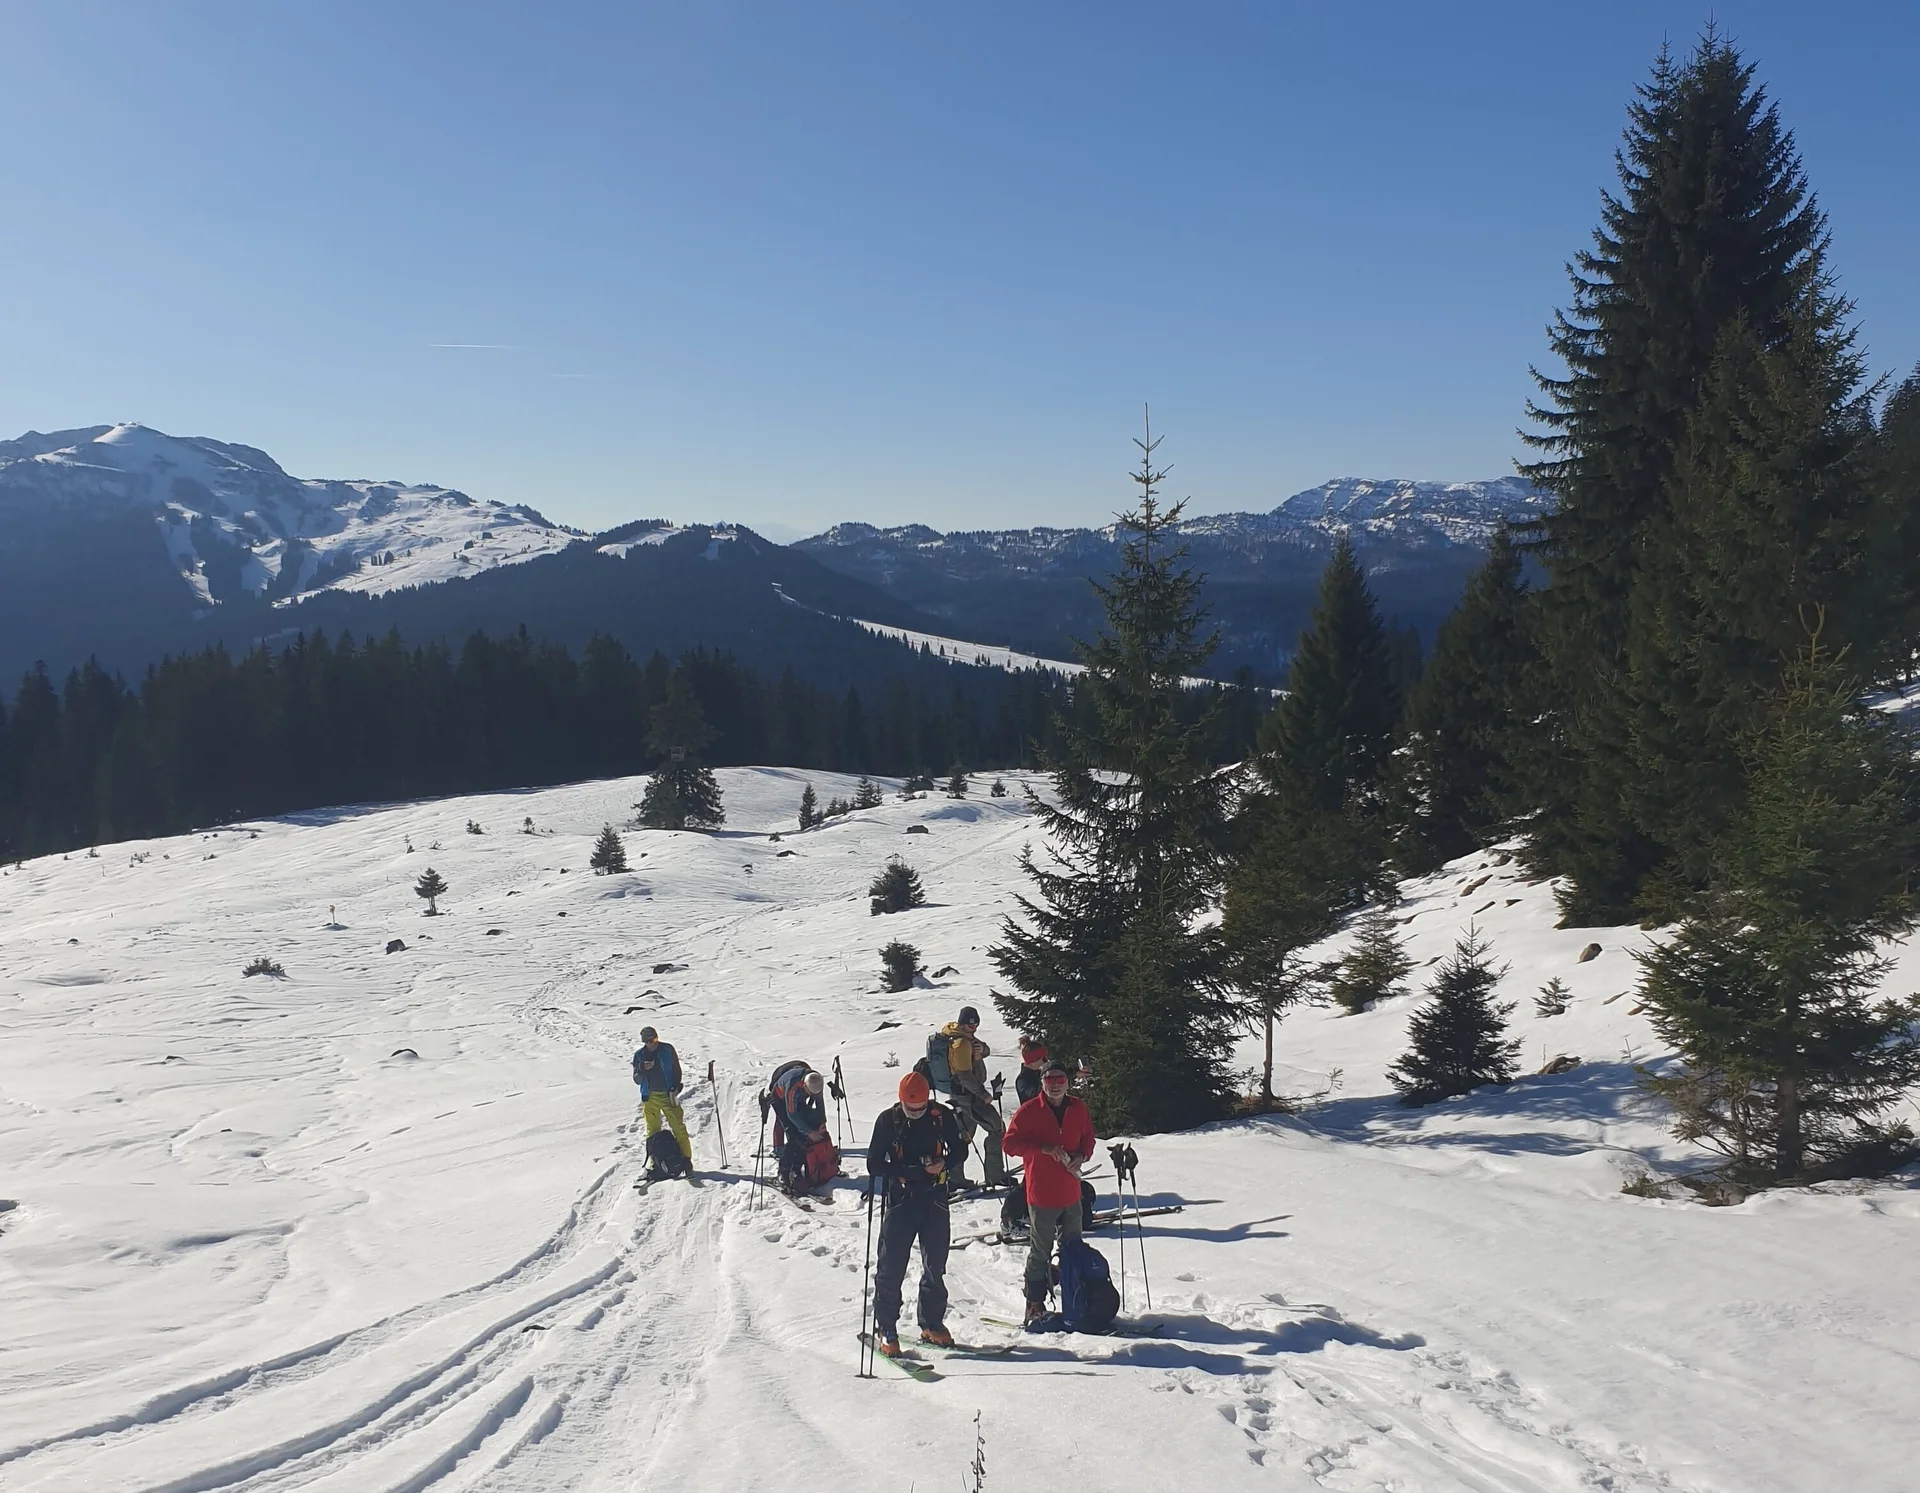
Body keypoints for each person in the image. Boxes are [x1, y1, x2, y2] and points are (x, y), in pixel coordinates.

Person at [866, 1071, 964, 1356]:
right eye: (912, 1108)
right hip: (901, 1200)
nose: (917, 1112)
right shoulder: (888, 1120)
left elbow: (960, 1150)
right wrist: (910, 1171)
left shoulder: (940, 1115)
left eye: (921, 1107)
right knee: (891, 1267)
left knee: (936, 1265)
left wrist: (944, 1161)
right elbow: (874, 1164)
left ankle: (931, 1323)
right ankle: (886, 1327)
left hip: (935, 1199)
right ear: (901, 1101)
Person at [1001, 1058, 1096, 1325]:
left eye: (1060, 1079)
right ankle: (1034, 1304)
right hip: (1041, 1192)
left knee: (1073, 1247)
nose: (1055, 1085)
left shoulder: (1077, 1107)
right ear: (1041, 1082)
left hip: (1070, 1190)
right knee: (1040, 1251)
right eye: (1049, 1080)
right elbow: (1009, 1144)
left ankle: (1076, 1298)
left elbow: (1088, 1137)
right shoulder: (1030, 1110)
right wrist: (1042, 1149)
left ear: (1068, 1082)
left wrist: (1082, 1155)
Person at [931, 1006, 1007, 1190]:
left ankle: (955, 1179)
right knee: (997, 1128)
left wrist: (982, 1050)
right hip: (970, 1097)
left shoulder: (958, 1035)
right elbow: (965, 1076)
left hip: (960, 1096)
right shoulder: (961, 1043)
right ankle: (995, 1175)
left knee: (963, 1136)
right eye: (970, 1024)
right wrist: (984, 1095)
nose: (973, 1028)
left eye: (975, 1024)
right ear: (963, 1023)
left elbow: (983, 1049)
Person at [631, 1026, 691, 1166]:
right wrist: (641, 1069)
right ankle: (656, 1163)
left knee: (679, 1128)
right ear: (644, 1042)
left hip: (668, 1095)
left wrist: (676, 1087)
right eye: (649, 1041)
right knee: (652, 1132)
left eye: (655, 1039)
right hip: (649, 1097)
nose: (653, 1043)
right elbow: (637, 1080)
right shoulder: (639, 1055)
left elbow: (677, 1070)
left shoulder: (667, 1050)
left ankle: (687, 1162)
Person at [769, 1062, 830, 1192]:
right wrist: (809, 1132)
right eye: (810, 1093)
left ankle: (796, 1167)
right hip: (779, 1099)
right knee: (795, 1135)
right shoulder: (793, 1085)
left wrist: (821, 1122)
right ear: (804, 1086)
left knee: (806, 1134)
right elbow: (792, 1114)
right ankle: (783, 1172)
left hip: (799, 1098)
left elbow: (820, 1103)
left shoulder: (816, 1080)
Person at [1014, 1038, 1049, 1106]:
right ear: (1033, 1059)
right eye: (1043, 1058)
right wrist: (1046, 1080)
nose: (1046, 1061)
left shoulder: (1038, 1073)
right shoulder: (1023, 1079)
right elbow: (1034, 1096)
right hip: (1032, 1115)